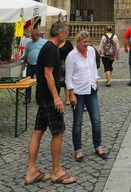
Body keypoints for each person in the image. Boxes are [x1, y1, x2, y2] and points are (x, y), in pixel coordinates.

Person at [24, 21, 76, 186]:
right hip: (48, 96)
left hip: (42, 95)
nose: (66, 35)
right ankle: (56, 171)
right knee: (58, 131)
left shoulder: (48, 47)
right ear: (60, 33)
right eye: (65, 32)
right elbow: (48, 74)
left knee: (38, 131)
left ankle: (31, 172)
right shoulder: (51, 49)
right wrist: (56, 97)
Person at [66, 31, 108, 162]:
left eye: (88, 41)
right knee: (78, 122)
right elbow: (68, 78)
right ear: (78, 42)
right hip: (78, 93)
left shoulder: (91, 51)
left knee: (96, 120)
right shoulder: (71, 56)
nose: (87, 44)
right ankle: (78, 150)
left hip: (91, 90)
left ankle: (98, 146)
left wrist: (95, 79)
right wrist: (71, 94)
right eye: (84, 42)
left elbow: (94, 67)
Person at [22, 29, 46, 104]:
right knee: (28, 81)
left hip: (39, 65)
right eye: (31, 36)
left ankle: (39, 97)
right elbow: (25, 54)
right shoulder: (29, 43)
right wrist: (23, 64)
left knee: (39, 81)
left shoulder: (44, 42)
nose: (32, 37)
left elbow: (46, 54)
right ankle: (27, 97)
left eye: (33, 36)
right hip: (30, 64)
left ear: (38, 35)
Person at [59, 36, 74, 105]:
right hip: (57, 64)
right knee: (57, 81)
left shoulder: (68, 43)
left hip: (66, 64)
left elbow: (72, 54)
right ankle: (56, 97)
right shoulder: (55, 43)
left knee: (66, 81)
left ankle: (67, 98)